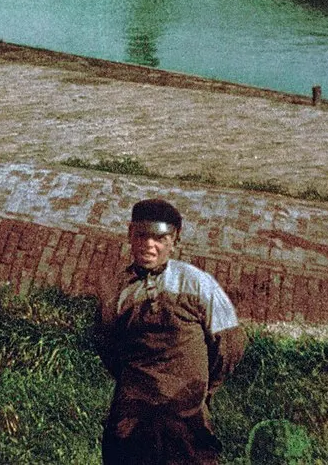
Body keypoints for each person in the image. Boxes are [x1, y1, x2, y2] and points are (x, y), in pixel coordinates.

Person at [97, 197, 243, 465]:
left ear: (174, 240)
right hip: (132, 417)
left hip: (186, 417)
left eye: (160, 238)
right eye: (141, 235)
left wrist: (203, 387)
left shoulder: (199, 284)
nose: (149, 245)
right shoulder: (116, 290)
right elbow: (108, 347)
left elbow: (229, 345)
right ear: (130, 234)